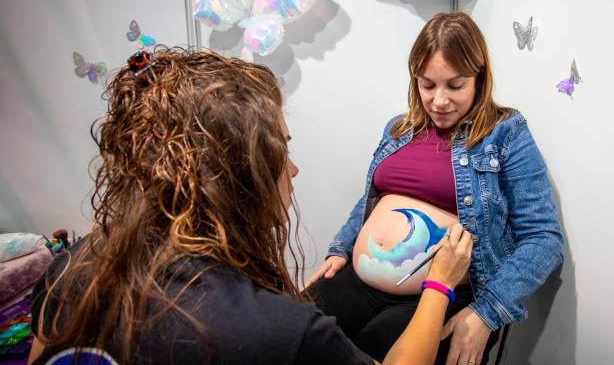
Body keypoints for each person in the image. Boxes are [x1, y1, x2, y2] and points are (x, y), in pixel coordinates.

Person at [28, 48, 473, 365]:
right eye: (281, 149)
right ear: (239, 176)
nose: (294, 170)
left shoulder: (69, 272)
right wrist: (440, 285)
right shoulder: (275, 333)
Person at [306, 12, 564, 364]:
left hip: (446, 295)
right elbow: (370, 200)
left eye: (454, 86)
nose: (439, 101)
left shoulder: (506, 133)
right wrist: (341, 247)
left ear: (479, 79)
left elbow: (543, 237)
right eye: (427, 85)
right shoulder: (398, 129)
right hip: (358, 280)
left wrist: (487, 312)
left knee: (372, 348)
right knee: (300, 334)